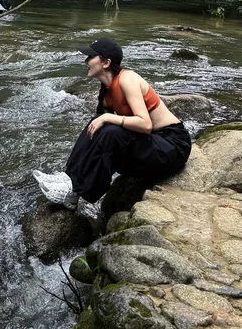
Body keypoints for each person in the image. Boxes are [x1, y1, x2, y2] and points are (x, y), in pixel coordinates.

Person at [33, 37, 192, 209]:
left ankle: (75, 191)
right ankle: (69, 178)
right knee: (98, 124)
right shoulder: (107, 94)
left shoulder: (127, 79)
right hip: (151, 146)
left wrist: (108, 117)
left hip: (172, 146)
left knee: (110, 130)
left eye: (90, 57)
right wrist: (103, 119)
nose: (86, 61)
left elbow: (145, 125)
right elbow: (98, 139)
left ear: (106, 62)